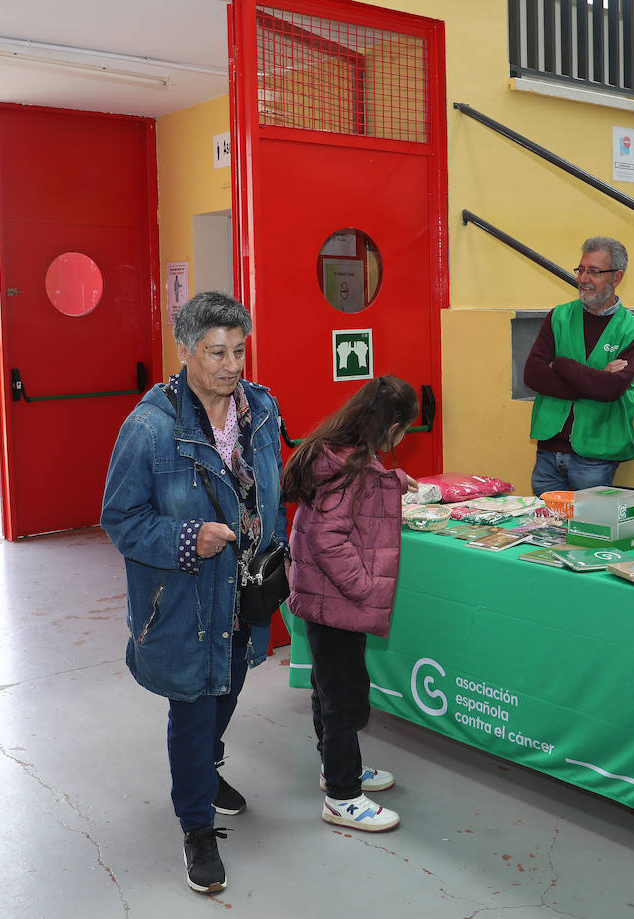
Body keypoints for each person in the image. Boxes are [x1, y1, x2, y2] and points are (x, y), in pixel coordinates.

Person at [100, 290, 288, 896]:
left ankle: (204, 771)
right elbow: (120, 519)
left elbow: (271, 488)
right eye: (216, 352)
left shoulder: (260, 409)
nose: (232, 365)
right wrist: (189, 538)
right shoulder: (149, 428)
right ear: (184, 351)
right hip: (184, 596)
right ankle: (197, 825)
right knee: (193, 702)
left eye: (239, 350)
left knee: (229, 683)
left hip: (245, 589)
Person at [281, 375, 419, 834]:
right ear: (392, 426)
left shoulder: (342, 453)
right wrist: (363, 587)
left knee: (328, 688)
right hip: (338, 600)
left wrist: (394, 482)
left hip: (323, 599)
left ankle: (334, 769)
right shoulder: (349, 467)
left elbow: (351, 501)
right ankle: (342, 795)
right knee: (345, 698)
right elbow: (328, 536)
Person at [523, 236, 634, 496]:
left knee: (589, 533)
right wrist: (594, 380)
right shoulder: (559, 316)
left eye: (594, 272)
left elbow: (611, 389)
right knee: (543, 532)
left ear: (617, 277)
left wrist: (560, 364)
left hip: (596, 455)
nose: (583, 279)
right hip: (548, 449)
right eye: (581, 270)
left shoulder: (633, 331)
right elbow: (533, 375)